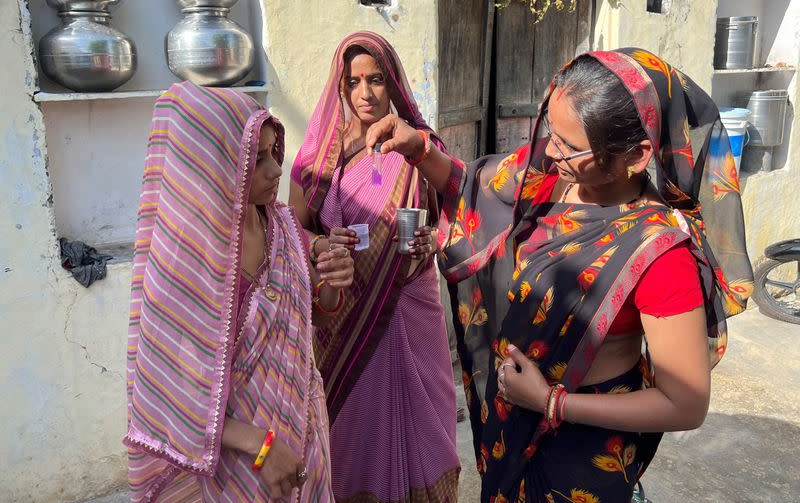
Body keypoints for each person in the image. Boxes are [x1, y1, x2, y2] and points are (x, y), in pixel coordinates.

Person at [365, 48, 754, 502]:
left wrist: (553, 402)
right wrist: (419, 149)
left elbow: (685, 403)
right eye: (550, 130)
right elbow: (469, 186)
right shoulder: (552, 180)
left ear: (636, 154)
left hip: (580, 450)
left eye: (569, 146)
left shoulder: (659, 252)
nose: (549, 151)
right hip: (511, 421)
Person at [125, 82, 354, 502]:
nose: (275, 170)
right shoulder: (188, 264)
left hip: (302, 431)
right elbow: (172, 397)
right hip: (236, 465)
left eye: (272, 152)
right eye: (256, 157)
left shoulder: (282, 227)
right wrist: (263, 448)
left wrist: (332, 284)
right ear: (214, 164)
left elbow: (313, 317)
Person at [290, 31, 460, 502]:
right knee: (356, 429)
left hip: (412, 306)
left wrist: (434, 240)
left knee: (426, 421)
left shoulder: (419, 146)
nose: (365, 93)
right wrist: (322, 244)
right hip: (346, 318)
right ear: (339, 87)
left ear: (395, 83)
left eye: (376, 79)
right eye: (353, 82)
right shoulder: (317, 161)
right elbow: (291, 229)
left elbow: (456, 212)